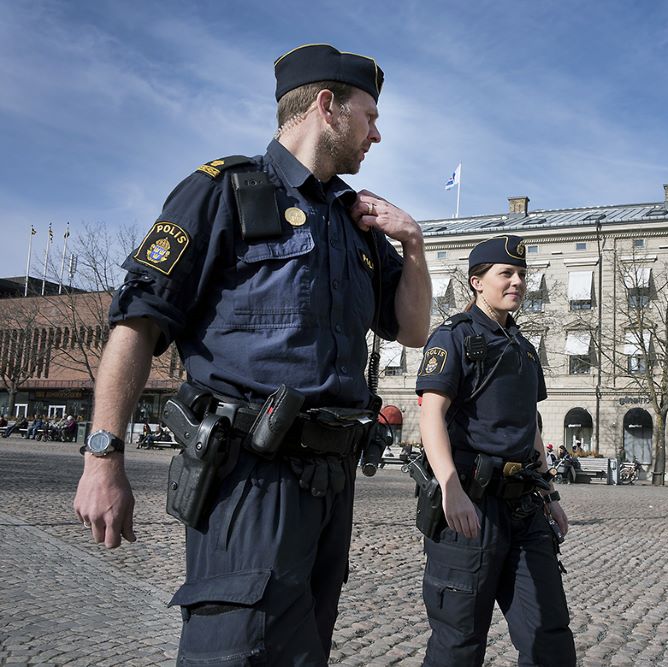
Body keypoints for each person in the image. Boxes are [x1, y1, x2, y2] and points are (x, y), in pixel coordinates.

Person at [72, 43, 431, 664]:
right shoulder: (222, 191)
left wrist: (416, 246)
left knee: (303, 652)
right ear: (327, 106)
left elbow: (413, 329)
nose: (378, 132)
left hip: (331, 484)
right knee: (235, 649)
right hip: (249, 477)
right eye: (369, 115)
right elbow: (136, 323)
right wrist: (103, 457)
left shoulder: (354, 222)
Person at [415, 235, 575, 666]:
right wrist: (451, 487)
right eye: (506, 273)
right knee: (458, 643)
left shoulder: (524, 347)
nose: (518, 282)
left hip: (525, 509)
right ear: (476, 282)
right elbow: (430, 414)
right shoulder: (453, 338)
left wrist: (550, 495)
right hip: (471, 510)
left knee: (551, 640)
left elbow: (532, 429)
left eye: (522, 274)